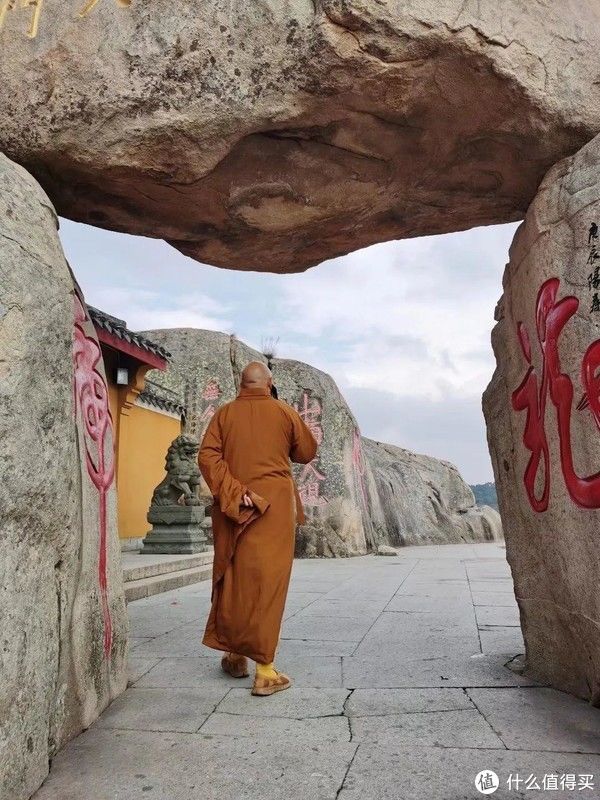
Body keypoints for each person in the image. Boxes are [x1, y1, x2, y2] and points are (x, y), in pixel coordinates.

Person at [198, 361, 317, 696]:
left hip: (234, 507)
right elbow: (307, 452)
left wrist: (236, 492)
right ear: (269, 383)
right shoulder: (284, 412)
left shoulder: (223, 415)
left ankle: (236, 655)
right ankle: (265, 670)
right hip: (274, 509)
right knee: (268, 583)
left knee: (235, 577)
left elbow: (207, 457)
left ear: (241, 383)